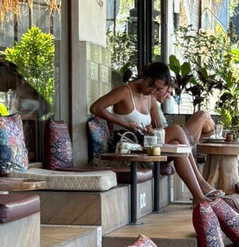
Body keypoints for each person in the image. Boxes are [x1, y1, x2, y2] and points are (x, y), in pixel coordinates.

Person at [90, 62, 221, 204]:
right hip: (127, 148)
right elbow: (96, 108)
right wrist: (125, 124)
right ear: (144, 76)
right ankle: (200, 183)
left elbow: (158, 127)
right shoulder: (125, 91)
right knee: (176, 130)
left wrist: (151, 130)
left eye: (158, 89)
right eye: (151, 85)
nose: (152, 90)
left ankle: (198, 196)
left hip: (144, 146)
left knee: (176, 143)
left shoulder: (150, 98)